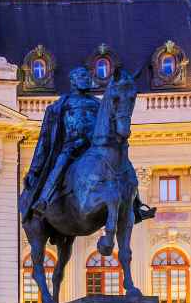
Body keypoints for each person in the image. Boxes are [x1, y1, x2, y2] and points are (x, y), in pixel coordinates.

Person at [21, 66, 154, 223]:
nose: (87, 79)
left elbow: (109, 122)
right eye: (82, 76)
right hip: (71, 146)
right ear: (73, 81)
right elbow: (45, 139)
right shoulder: (61, 105)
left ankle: (134, 206)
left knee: (124, 165)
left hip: (95, 146)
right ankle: (44, 200)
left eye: (87, 76)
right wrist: (35, 169)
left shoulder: (98, 103)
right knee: (60, 164)